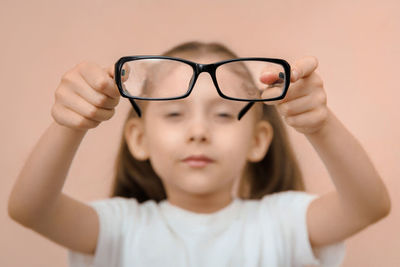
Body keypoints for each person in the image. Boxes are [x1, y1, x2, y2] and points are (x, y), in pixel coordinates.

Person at [8, 41, 391, 267]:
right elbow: (31, 209)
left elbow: (367, 206)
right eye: (175, 113)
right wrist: (69, 124)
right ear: (138, 139)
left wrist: (320, 126)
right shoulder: (120, 229)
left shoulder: (281, 223)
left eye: (223, 114)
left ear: (259, 141)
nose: (198, 132)